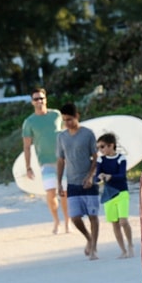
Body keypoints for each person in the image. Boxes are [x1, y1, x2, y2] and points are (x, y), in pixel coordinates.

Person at [21, 87, 70, 233]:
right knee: (50, 193)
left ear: (46, 99)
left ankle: (68, 221)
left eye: (41, 98)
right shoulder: (29, 122)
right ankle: (56, 221)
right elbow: (27, 146)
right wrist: (28, 167)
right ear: (32, 102)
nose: (39, 101)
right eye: (36, 99)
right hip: (45, 162)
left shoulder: (56, 115)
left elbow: (67, 133)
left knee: (65, 193)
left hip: (62, 160)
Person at [56, 103, 101, 260]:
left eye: (69, 119)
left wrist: (90, 176)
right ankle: (88, 238)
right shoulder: (61, 137)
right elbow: (61, 160)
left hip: (89, 182)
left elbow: (96, 157)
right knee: (75, 217)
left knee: (93, 216)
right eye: (64, 120)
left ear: (77, 116)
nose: (67, 122)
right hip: (72, 182)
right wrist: (58, 182)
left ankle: (94, 247)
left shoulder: (88, 134)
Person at [95, 132, 134, 259]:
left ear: (111, 145)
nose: (100, 150)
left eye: (102, 146)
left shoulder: (121, 158)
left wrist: (110, 176)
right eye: (99, 147)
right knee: (115, 223)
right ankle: (123, 250)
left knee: (123, 221)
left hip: (122, 192)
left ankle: (130, 245)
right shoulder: (100, 160)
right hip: (108, 194)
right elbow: (96, 177)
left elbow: (122, 175)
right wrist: (99, 177)